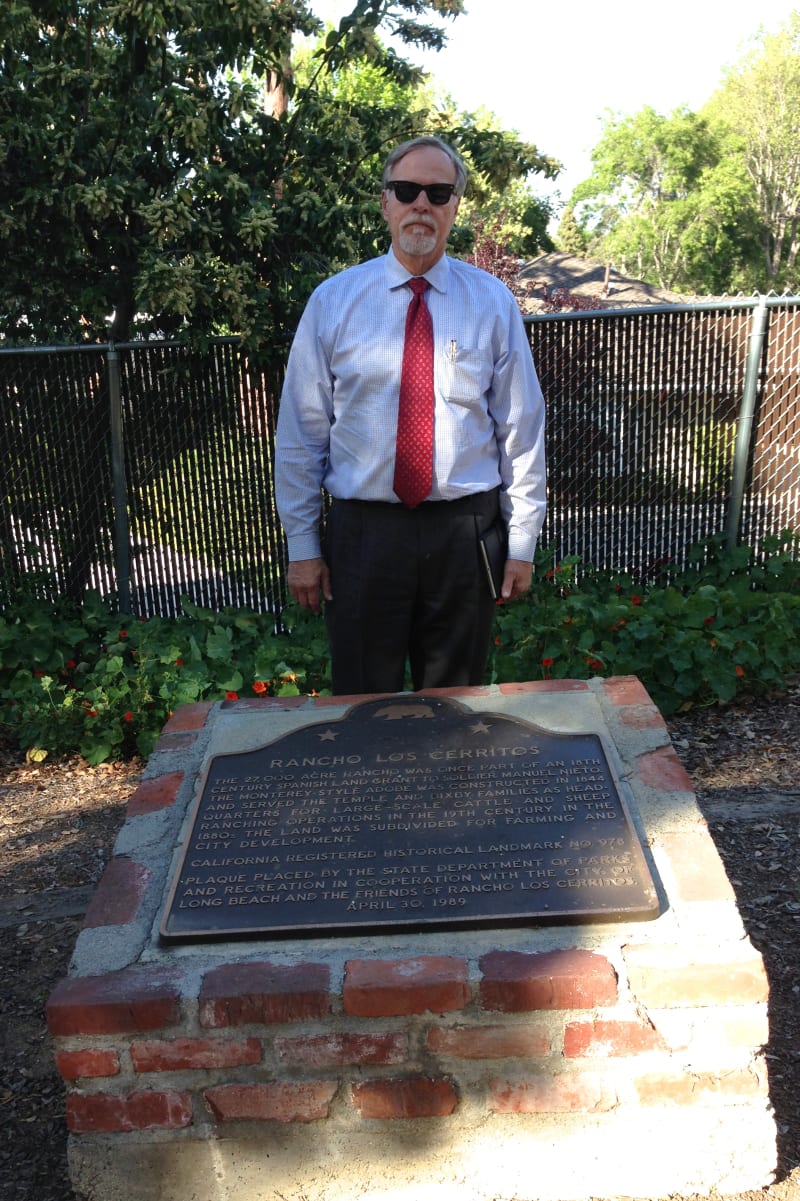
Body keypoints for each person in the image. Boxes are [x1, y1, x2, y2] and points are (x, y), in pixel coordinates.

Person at [274, 135, 546, 695]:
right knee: (361, 700)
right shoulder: (333, 301)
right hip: (364, 536)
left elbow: (521, 429)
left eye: (438, 191)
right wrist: (303, 548)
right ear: (386, 202)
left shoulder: (491, 302)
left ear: (455, 207)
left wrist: (521, 543)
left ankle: (451, 787)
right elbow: (302, 434)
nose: (422, 203)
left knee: (456, 703)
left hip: (464, 534)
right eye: (407, 189)